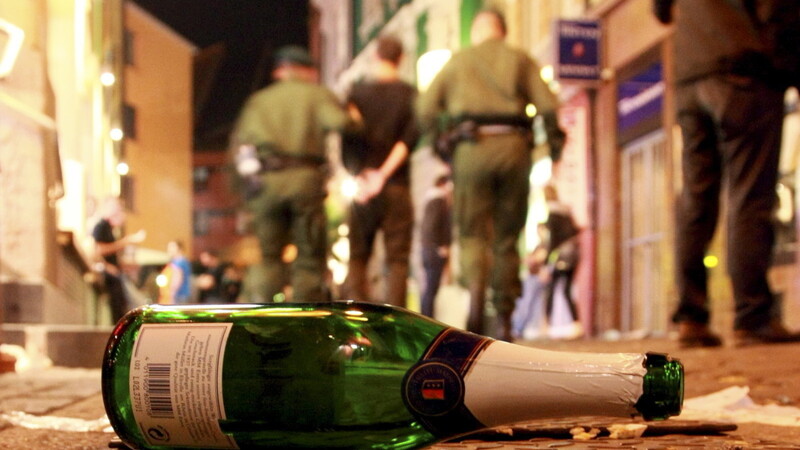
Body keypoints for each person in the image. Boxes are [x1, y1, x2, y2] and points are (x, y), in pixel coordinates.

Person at [653, 0, 800, 347]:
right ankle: (752, 316)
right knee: (749, 195)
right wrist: (786, 69)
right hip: (744, 68)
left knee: (696, 197)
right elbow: (779, 11)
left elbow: (661, 11)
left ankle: (691, 317)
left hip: (689, 76)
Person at [417, 8, 564, 340]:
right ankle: (504, 318)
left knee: (471, 234)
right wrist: (553, 147)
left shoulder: (457, 62)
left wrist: (442, 144)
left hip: (470, 149)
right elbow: (550, 106)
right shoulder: (519, 59)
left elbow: (425, 109)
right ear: (503, 30)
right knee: (506, 237)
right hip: (513, 146)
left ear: (478, 30)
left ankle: (475, 299)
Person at [230, 45, 347, 303]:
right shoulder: (317, 95)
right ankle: (306, 319)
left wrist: (243, 192)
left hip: (265, 185)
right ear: (305, 70)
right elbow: (340, 123)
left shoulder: (258, 101)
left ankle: (260, 319)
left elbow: (238, 147)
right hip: (305, 180)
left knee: (269, 257)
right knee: (309, 255)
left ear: (281, 71)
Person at [342, 35, 419, 307]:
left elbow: (348, 140)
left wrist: (362, 176)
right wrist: (383, 175)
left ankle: (355, 322)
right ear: (401, 59)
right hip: (396, 186)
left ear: (376, 57)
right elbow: (408, 140)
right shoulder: (410, 95)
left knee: (358, 255)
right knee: (397, 259)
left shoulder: (356, 94)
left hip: (362, 187)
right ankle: (395, 326)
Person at [92, 197, 146, 322]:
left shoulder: (110, 229)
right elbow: (98, 250)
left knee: (124, 303)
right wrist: (126, 242)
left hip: (115, 273)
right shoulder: (101, 226)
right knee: (120, 305)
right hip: (109, 275)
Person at [541, 185, 582, 339]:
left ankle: (548, 324)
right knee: (567, 290)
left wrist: (546, 264)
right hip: (573, 254)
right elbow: (575, 231)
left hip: (560, 257)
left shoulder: (552, 214)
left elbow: (553, 241)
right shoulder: (565, 211)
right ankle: (577, 323)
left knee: (551, 289)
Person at [419, 173, 453, 318]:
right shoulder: (438, 201)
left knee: (429, 289)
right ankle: (427, 319)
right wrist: (441, 245)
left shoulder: (430, 200)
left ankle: (426, 317)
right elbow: (433, 226)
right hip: (434, 251)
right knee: (431, 290)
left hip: (428, 250)